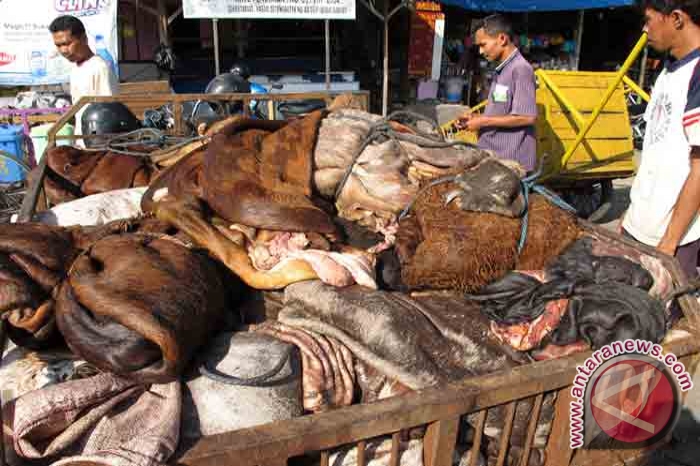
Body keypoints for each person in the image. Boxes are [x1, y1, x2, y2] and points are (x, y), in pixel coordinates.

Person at [621, 0, 700, 279]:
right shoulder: (668, 68)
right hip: (640, 227)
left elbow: (699, 169)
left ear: (676, 18)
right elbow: (656, 151)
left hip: (672, 241)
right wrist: (632, 215)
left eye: (648, 20)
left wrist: (670, 241)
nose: (645, 29)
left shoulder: (697, 74)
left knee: (661, 319)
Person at [457, 14, 537, 173]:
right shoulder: (502, 69)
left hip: (510, 161)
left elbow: (527, 116)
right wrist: (476, 118)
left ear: (501, 39)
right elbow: (502, 110)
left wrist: (483, 122)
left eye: (483, 44)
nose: (480, 51)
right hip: (493, 155)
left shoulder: (520, 69)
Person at [49, 15, 119, 145]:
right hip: (82, 142)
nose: (63, 50)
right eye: (58, 45)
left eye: (67, 43)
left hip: (98, 145)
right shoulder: (76, 68)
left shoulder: (99, 68)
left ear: (84, 39)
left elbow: (109, 112)